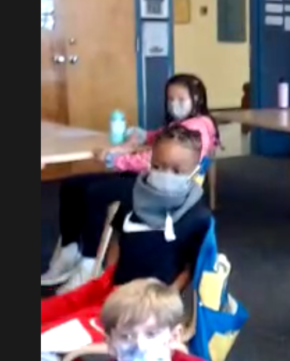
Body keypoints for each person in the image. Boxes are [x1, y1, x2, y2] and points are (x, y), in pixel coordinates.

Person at [41, 127, 215, 361]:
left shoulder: (197, 217)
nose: (166, 174)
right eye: (158, 166)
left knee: (42, 345)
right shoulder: (135, 198)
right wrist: (110, 272)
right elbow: (118, 239)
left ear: (195, 171)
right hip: (110, 288)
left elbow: (190, 268)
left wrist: (164, 298)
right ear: (150, 163)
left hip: (143, 308)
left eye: (177, 170)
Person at [42, 74, 218, 293]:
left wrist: (117, 159)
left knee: (94, 193)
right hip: (149, 179)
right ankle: (70, 250)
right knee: (72, 185)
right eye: (170, 99)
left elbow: (156, 160)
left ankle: (88, 264)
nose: (174, 104)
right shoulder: (187, 124)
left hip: (160, 189)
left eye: (181, 99)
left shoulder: (196, 128)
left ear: (197, 99)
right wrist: (145, 136)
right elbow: (164, 138)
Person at [92, 279, 221, 361]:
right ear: (110, 343)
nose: (140, 346)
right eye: (126, 336)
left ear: (174, 337)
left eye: (151, 334)